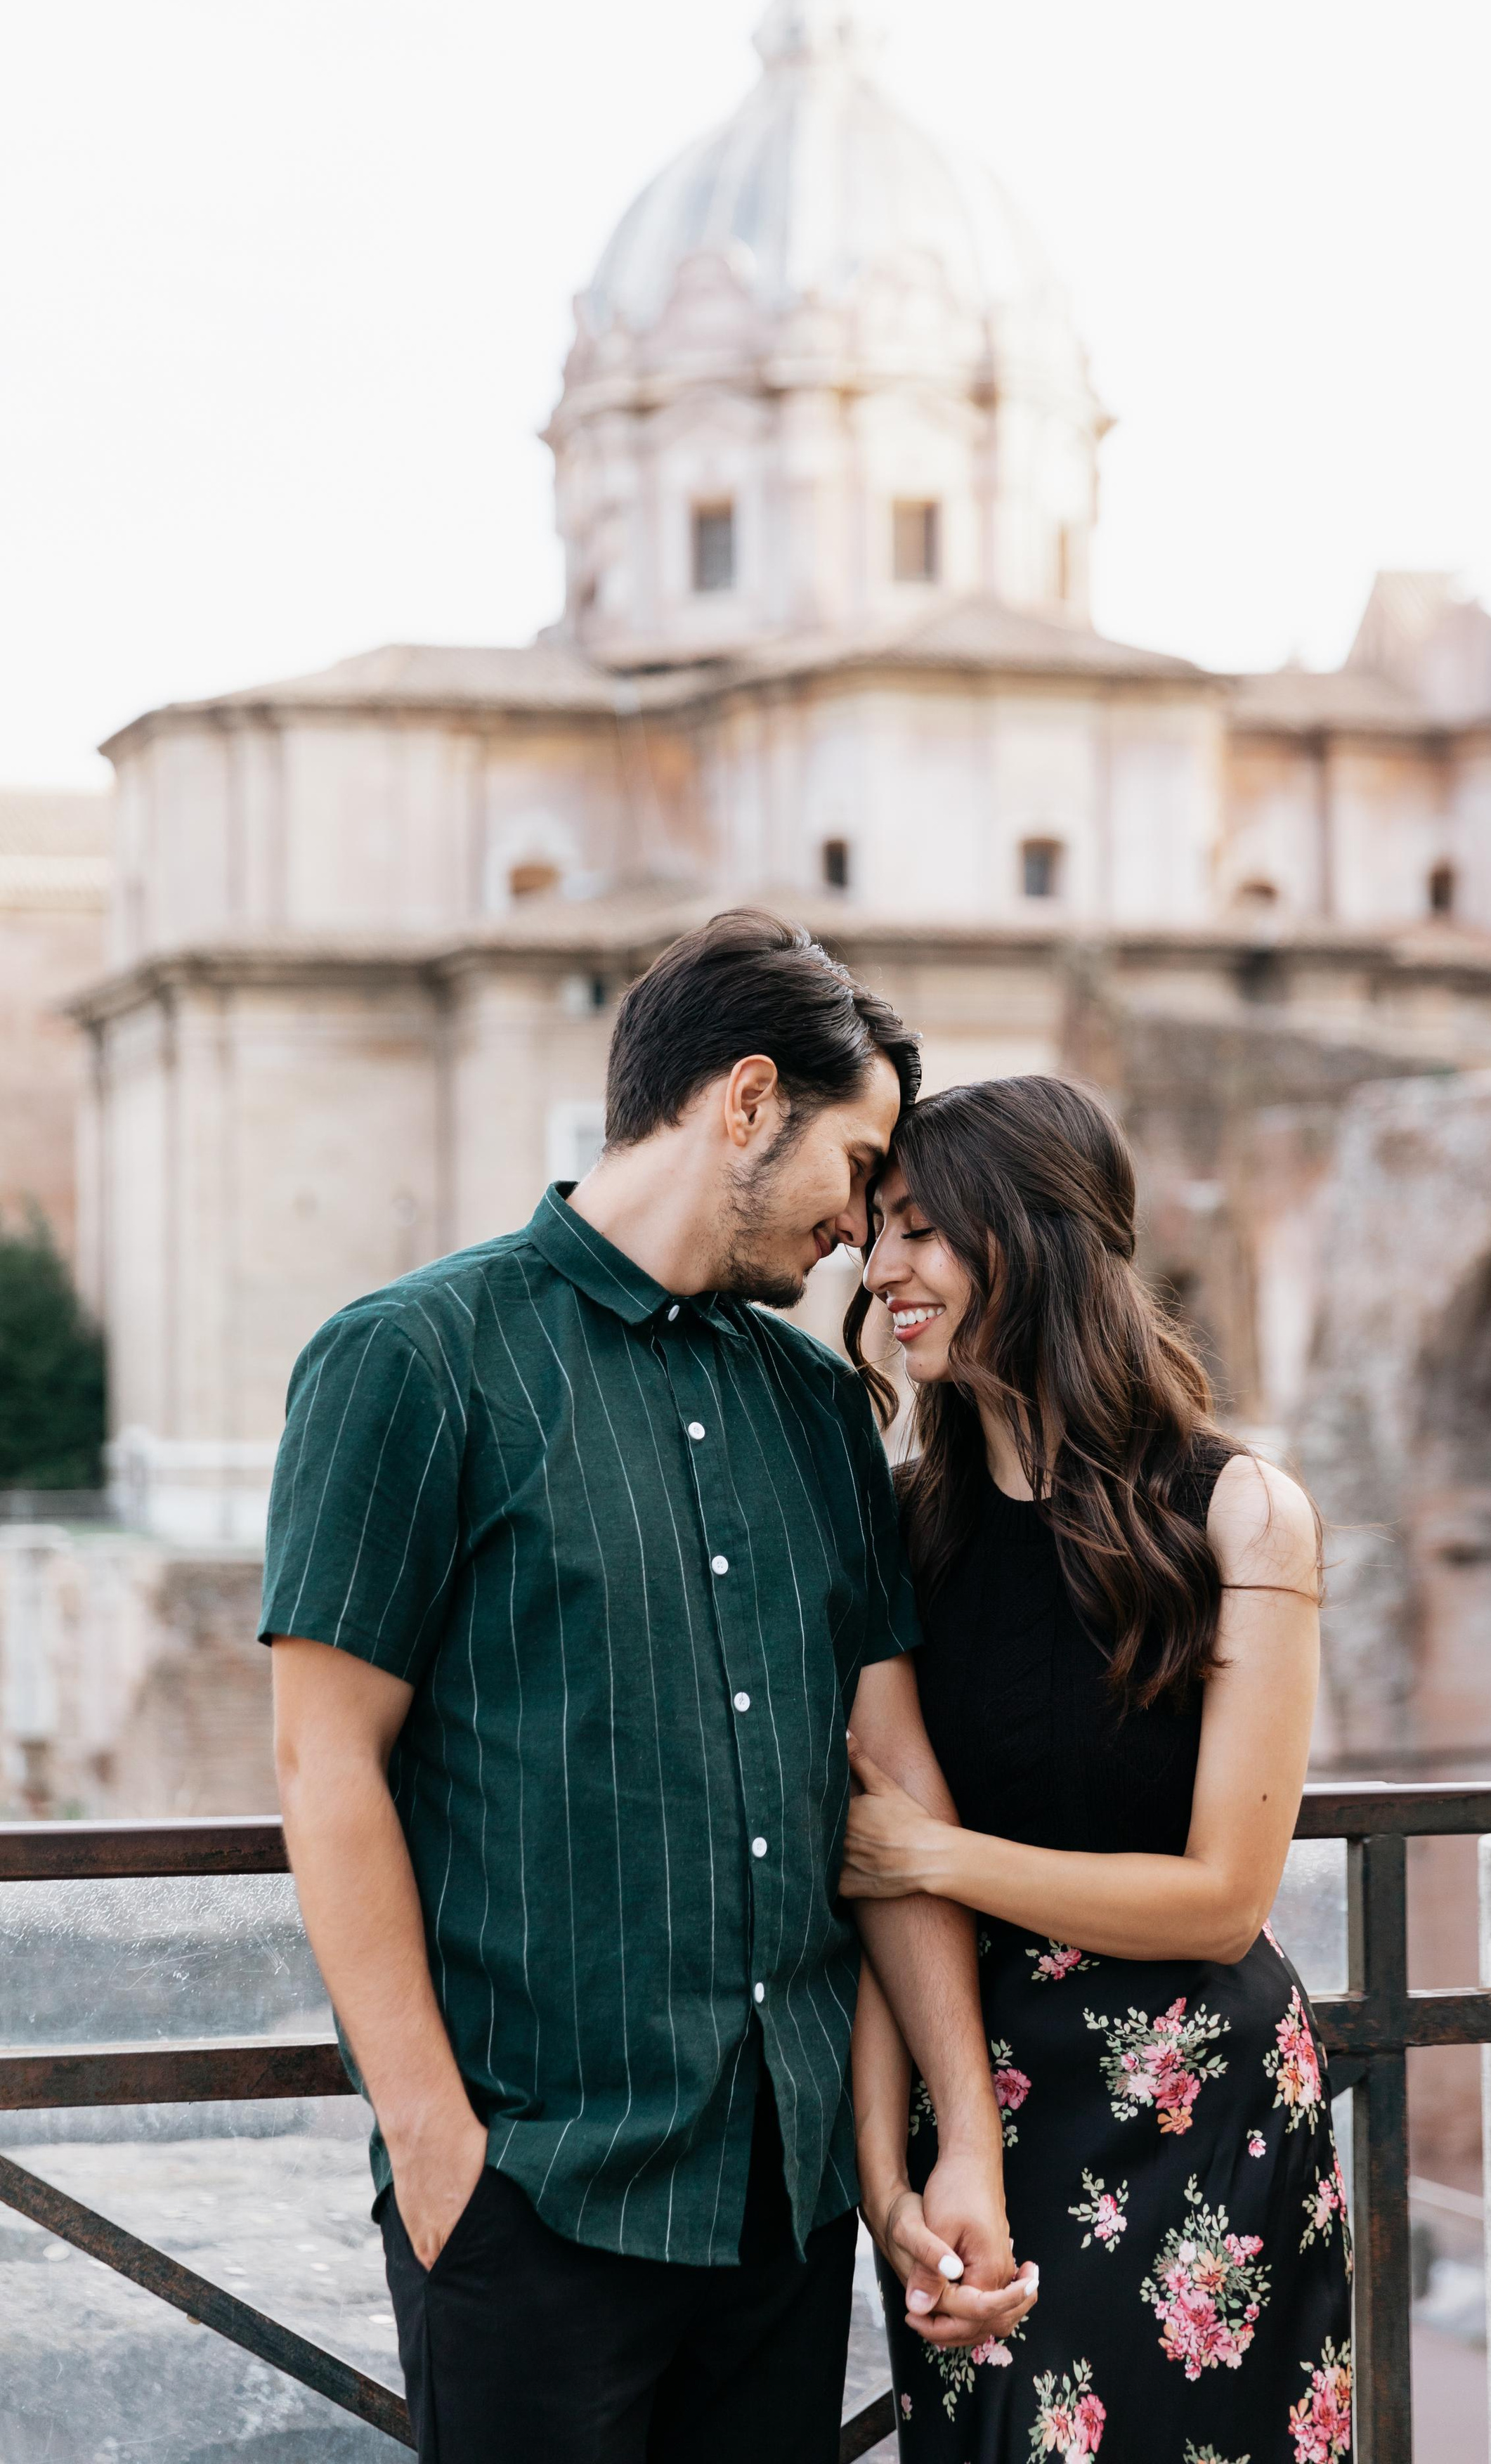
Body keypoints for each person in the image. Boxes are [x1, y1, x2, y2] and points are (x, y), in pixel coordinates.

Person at [260, 912, 1035, 2464]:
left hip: (783, 2202)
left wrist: (964, 2148)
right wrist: (432, 2146)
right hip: (532, 2198)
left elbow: (893, 1790)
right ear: (744, 1101)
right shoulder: (412, 1361)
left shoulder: (819, 1410)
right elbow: (322, 1763)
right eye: (859, 1162)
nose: (864, 1226)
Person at [842, 1074, 1352, 2463]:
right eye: (878, 1231)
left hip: (1201, 2117)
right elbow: (878, 1896)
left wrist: (938, 1855)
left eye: (921, 1231)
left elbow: (1219, 1899)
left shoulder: (1239, 1514)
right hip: (981, 2127)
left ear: (1038, 1235)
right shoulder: (903, 1531)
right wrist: (888, 2173)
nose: (881, 1268)